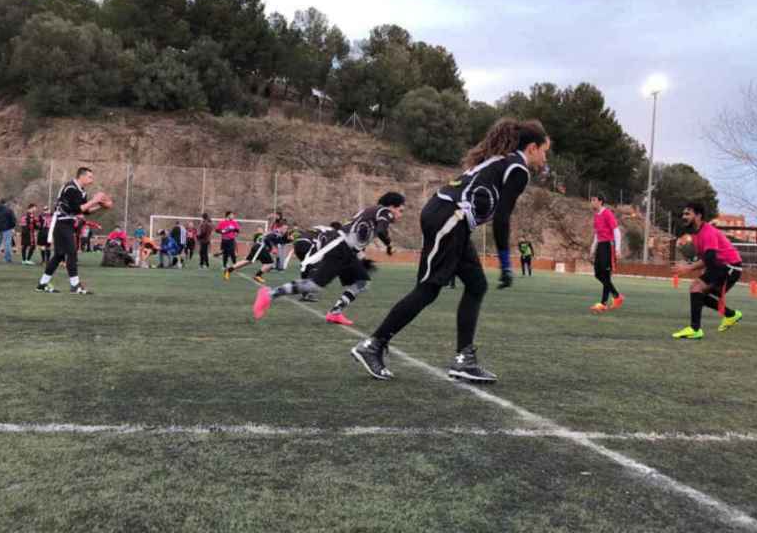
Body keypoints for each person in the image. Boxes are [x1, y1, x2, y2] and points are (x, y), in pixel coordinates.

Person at [350, 119, 550, 382]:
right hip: (449, 218)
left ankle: (464, 360)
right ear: (533, 148)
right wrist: (504, 262)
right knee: (428, 288)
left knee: (477, 284)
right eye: (545, 150)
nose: (545, 157)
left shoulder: (500, 160)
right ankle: (373, 345)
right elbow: (502, 218)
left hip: (450, 218)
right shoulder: (517, 168)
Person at [253, 193, 406, 326]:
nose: (400, 214)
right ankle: (269, 294)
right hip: (340, 246)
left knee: (362, 281)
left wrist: (365, 256)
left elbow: (363, 234)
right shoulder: (384, 211)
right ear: (392, 206)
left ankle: (335, 312)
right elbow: (381, 230)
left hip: (347, 250)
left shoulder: (373, 211)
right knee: (314, 285)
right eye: (400, 210)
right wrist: (389, 245)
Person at [671, 202, 744, 339]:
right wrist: (690, 264)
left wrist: (688, 268)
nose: (684, 216)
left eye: (688, 214)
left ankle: (695, 329)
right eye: (683, 214)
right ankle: (731, 315)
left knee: (696, 288)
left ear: (698, 216)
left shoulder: (708, 231)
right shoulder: (696, 234)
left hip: (730, 267)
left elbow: (710, 257)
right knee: (698, 294)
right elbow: (707, 259)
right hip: (720, 266)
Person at [36, 167, 111, 294]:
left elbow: (85, 211)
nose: (91, 180)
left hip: (67, 223)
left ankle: (42, 284)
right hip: (61, 221)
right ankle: (75, 285)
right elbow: (77, 209)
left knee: (59, 255)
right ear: (81, 176)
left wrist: (101, 206)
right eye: (89, 177)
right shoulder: (70, 187)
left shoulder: (81, 191)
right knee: (71, 252)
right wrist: (95, 200)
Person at [589, 195, 623, 313]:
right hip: (600, 246)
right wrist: (593, 248)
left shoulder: (607, 213)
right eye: (591, 200)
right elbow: (597, 234)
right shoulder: (596, 216)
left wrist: (618, 249)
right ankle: (617, 296)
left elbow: (616, 231)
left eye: (594, 200)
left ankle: (603, 303)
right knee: (598, 273)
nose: (592, 202)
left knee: (605, 273)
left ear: (600, 201)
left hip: (609, 246)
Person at [223, 224, 287, 284]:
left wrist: (289, 240)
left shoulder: (276, 233)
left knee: (247, 261)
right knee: (269, 263)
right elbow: (267, 239)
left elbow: (280, 241)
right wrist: (273, 248)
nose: (285, 230)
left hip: (258, 246)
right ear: (279, 227)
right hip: (260, 247)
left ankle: (228, 270)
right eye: (284, 228)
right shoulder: (276, 233)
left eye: (286, 229)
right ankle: (257, 276)